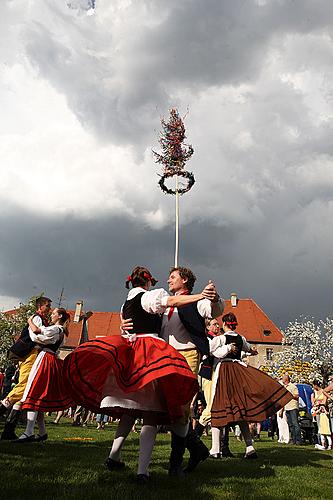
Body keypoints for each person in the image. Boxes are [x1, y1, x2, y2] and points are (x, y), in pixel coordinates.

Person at [64, 266, 206, 482]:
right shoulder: (150, 296)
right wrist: (201, 295)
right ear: (148, 282)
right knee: (149, 411)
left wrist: (124, 325)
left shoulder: (126, 303)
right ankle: (142, 471)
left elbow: (129, 324)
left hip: (129, 352)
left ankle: (114, 455)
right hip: (147, 352)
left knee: (129, 409)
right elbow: (172, 302)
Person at [121, 266, 224, 474]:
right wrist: (123, 323)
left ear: (184, 280)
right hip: (164, 355)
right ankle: (197, 449)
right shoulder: (164, 303)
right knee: (163, 406)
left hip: (188, 354)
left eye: (173, 277)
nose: (168, 281)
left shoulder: (197, 300)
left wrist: (214, 298)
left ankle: (175, 464)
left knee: (181, 408)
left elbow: (215, 311)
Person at [209, 313, 293, 459]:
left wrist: (227, 349)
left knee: (218, 407)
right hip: (239, 372)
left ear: (224, 324)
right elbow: (250, 349)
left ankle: (215, 449)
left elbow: (210, 349)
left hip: (225, 372)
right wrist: (250, 351)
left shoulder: (221, 339)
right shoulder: (241, 338)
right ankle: (249, 447)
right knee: (241, 412)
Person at [14, 307, 73, 442]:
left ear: (59, 316)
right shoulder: (61, 331)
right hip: (51, 359)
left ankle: (29, 431)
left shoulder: (54, 329)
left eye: (53, 314)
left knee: (34, 392)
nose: (51, 315)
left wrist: (30, 320)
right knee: (39, 394)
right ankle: (42, 431)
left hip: (45, 359)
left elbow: (36, 333)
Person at [0, 297, 52, 440]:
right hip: (31, 354)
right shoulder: (37, 318)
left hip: (31, 355)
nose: (49, 309)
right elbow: (35, 336)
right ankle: (1, 408)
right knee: (24, 386)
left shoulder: (39, 319)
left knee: (24, 392)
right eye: (47, 306)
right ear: (40, 306)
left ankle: (9, 430)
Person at [281, 373, 303, 445]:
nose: (282, 379)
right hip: (287, 407)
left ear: (286, 379)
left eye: (283, 378)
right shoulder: (284, 387)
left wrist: (289, 395)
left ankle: (298, 440)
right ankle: (293, 439)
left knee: (295, 424)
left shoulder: (293, 386)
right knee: (290, 424)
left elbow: (297, 396)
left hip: (293, 407)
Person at [311, 381, 332, 450]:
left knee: (325, 427)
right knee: (319, 426)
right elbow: (313, 402)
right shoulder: (314, 393)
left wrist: (321, 405)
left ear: (315, 385)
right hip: (317, 410)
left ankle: (326, 443)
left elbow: (325, 401)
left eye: (313, 385)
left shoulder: (323, 391)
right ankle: (321, 442)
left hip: (323, 410)